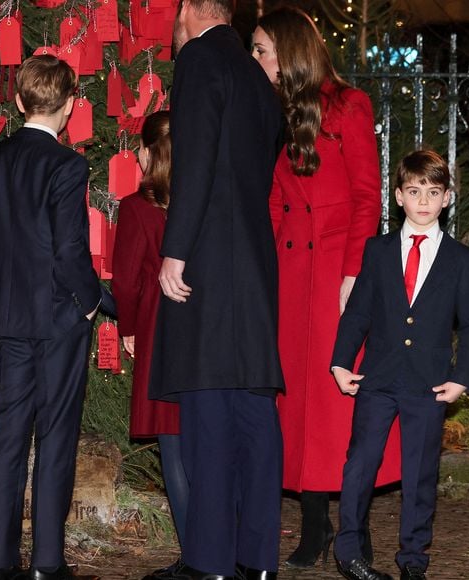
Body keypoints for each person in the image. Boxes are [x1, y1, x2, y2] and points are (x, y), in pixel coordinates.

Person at [0, 55, 115, 580]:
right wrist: (90, 303)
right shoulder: (67, 166)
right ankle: (46, 561)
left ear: (19, 101)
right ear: (69, 107)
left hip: (10, 318)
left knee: (9, 433)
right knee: (57, 434)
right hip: (62, 319)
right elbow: (70, 251)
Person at [251, 6, 401, 569]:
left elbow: (368, 196)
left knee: (340, 402)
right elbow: (270, 198)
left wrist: (355, 277)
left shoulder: (349, 105)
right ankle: (314, 524)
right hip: (290, 275)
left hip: (338, 270)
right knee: (298, 402)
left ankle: (350, 529)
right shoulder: (273, 110)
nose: (257, 59)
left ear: (291, 50)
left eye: (264, 48)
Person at [146, 0, 285, 578]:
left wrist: (175, 249)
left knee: (207, 415)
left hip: (209, 261)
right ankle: (256, 560)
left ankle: (210, 562)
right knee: (253, 413)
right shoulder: (257, 75)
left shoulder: (201, 58)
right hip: (254, 263)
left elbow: (196, 158)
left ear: (192, 14)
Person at [331, 150, 469, 580]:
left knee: (420, 474)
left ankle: (413, 560)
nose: (423, 201)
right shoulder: (377, 251)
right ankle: (349, 551)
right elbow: (358, 311)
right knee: (360, 463)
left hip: (429, 384)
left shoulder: (460, 259)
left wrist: (461, 378)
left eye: (433, 193)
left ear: (446, 198)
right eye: (414, 191)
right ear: (398, 196)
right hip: (377, 378)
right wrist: (341, 362)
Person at [111, 111, 188, 574]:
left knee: (173, 444)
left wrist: (129, 329)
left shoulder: (138, 206)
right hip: (204, 328)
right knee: (202, 441)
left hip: (159, 329)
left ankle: (193, 553)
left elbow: (125, 281)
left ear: (147, 153)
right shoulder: (200, 200)